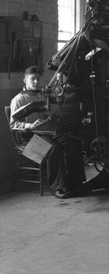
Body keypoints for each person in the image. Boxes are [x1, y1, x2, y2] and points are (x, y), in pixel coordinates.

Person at [10, 66, 86, 199]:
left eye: (38, 79)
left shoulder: (43, 95)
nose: (35, 82)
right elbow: (13, 124)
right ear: (24, 80)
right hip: (29, 139)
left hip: (47, 133)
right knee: (53, 148)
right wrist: (29, 125)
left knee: (73, 143)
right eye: (32, 79)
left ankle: (75, 183)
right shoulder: (17, 100)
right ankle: (58, 187)